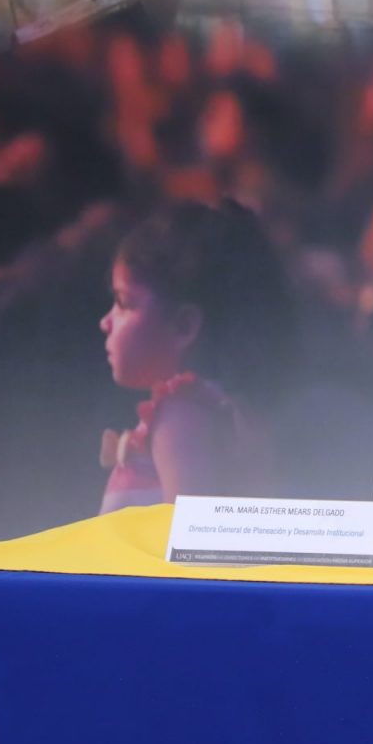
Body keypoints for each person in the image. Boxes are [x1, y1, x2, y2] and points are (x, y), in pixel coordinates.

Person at [98, 201, 291, 512]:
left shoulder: (180, 414)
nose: (105, 322)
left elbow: (190, 532)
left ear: (184, 326)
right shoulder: (213, 408)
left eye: (124, 303)